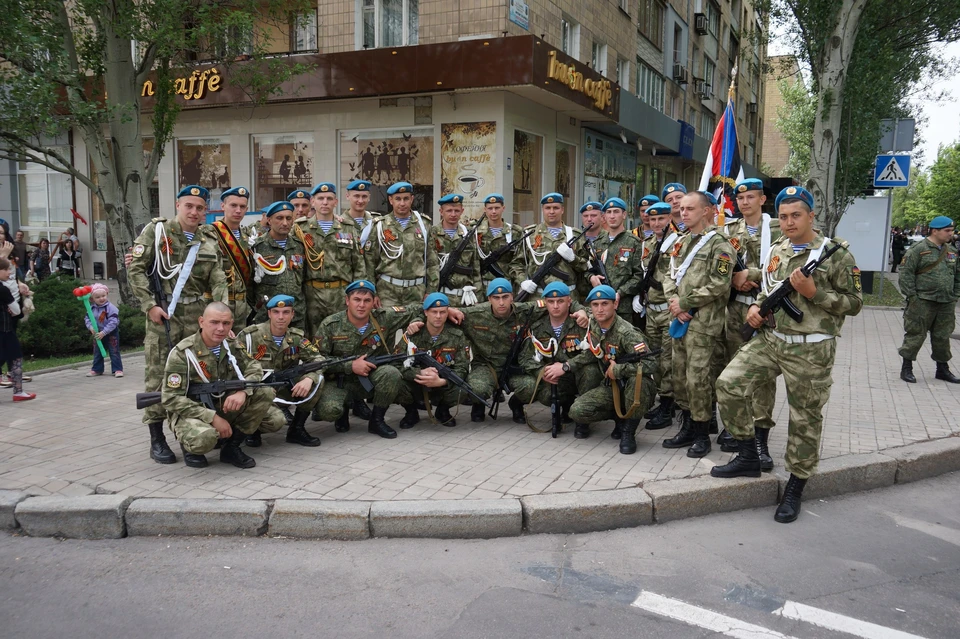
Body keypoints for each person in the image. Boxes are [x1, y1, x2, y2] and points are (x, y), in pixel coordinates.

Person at [712, 186, 863, 523]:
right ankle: (749, 454)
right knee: (728, 385)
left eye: (796, 215)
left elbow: (854, 304)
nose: (790, 222)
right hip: (771, 339)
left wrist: (816, 293)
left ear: (811, 215)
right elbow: (768, 287)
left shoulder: (835, 254)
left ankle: (796, 486)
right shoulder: (778, 247)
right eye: (784, 216)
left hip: (811, 349)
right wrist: (756, 308)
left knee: (805, 420)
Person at [128, 184, 229, 465]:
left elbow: (218, 278)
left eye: (199, 208)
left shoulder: (209, 238)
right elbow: (135, 269)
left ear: (205, 211)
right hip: (165, 316)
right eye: (189, 206)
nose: (194, 212)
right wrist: (149, 306)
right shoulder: (157, 232)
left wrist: (223, 315)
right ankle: (157, 439)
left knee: (196, 376)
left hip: (198, 316)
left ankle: (187, 436)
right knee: (159, 375)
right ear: (178, 205)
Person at [162, 302, 285, 469]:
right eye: (214, 322)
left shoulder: (232, 344)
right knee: (204, 440)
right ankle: (190, 447)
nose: (220, 328)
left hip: (222, 404)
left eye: (226, 323)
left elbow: (254, 368)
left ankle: (231, 447)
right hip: (192, 411)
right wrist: (211, 417)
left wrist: (243, 391)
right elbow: (170, 398)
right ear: (201, 322)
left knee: (270, 405)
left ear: (231, 324)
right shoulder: (183, 353)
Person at [448, 278, 588, 423]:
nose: (501, 302)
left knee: (530, 387)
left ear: (512, 297)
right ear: (489, 298)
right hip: (486, 365)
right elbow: (438, 313)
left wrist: (581, 310)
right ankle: (478, 404)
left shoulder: (526, 310)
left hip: (515, 366)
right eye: (496, 298)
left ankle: (516, 404)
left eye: (505, 297)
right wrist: (448, 309)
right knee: (478, 388)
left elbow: (559, 300)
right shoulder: (474, 314)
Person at [661, 191, 734, 458]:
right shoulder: (680, 242)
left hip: (703, 323)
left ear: (707, 211)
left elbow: (720, 283)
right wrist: (674, 301)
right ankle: (688, 426)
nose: (683, 213)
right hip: (679, 319)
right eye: (681, 209)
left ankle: (703, 434)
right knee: (679, 376)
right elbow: (667, 275)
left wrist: (686, 302)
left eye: (689, 208)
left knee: (698, 379)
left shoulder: (720, 244)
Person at [544, 284, 655, 453]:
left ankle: (628, 431)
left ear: (615, 305)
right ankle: (618, 417)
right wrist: (567, 366)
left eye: (605, 304)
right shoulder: (594, 324)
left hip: (633, 386)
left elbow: (651, 363)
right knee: (577, 411)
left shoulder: (627, 333)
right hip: (611, 385)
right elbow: (593, 352)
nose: (600, 309)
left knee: (637, 382)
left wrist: (619, 370)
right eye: (595, 305)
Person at [716, 178, 781, 463]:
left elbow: (783, 266)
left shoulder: (779, 228)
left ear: (762, 199)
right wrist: (733, 281)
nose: (745, 203)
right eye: (741, 199)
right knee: (734, 368)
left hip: (768, 313)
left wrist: (749, 275)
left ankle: (760, 437)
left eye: (751, 197)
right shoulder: (728, 230)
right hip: (736, 310)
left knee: (763, 377)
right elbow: (718, 267)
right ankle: (736, 428)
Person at [312, 280, 422, 438]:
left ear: (374, 302)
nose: (361, 305)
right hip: (339, 380)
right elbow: (317, 360)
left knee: (392, 374)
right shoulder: (330, 325)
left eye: (367, 301)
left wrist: (446, 311)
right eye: (357, 300)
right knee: (329, 411)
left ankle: (376, 421)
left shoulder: (385, 318)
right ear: (347, 301)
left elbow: (419, 308)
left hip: (371, 378)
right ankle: (342, 412)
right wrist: (350, 366)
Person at [237, 294, 324, 448]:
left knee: (317, 379)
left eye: (286, 312)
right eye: (276, 312)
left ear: (292, 315)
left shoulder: (296, 338)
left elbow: (319, 359)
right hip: (256, 392)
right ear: (269, 314)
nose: (281, 317)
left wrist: (309, 378)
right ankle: (251, 430)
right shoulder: (250, 336)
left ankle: (297, 429)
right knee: (276, 420)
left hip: (283, 388)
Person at [294, 182, 365, 336]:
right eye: (320, 198)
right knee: (313, 338)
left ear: (336, 202)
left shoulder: (348, 228)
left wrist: (358, 295)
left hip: (341, 293)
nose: (325, 202)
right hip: (312, 294)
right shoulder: (300, 228)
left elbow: (358, 264)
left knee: (342, 336)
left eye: (329, 198)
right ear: (313, 202)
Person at [517, 282, 587, 435]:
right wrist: (542, 371)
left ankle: (584, 419)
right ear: (545, 304)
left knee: (591, 372)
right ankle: (567, 405)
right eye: (551, 302)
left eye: (560, 301)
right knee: (546, 395)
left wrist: (567, 366)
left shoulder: (581, 323)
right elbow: (525, 358)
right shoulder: (537, 327)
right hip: (555, 379)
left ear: (569, 302)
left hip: (578, 375)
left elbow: (591, 353)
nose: (555, 306)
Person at [897, 215, 960, 384]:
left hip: (946, 302)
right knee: (915, 334)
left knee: (942, 336)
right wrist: (912, 297)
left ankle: (942, 369)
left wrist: (955, 295)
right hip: (923, 301)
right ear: (935, 231)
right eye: (947, 231)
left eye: (951, 230)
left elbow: (957, 275)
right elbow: (906, 274)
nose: (951, 234)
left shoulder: (952, 251)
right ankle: (907, 368)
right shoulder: (918, 249)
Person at [394, 292, 470, 429]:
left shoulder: (457, 336)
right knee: (393, 379)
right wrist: (418, 373)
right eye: (434, 312)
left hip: (441, 387)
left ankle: (443, 410)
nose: (438, 316)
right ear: (425, 312)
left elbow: (462, 368)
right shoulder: (412, 335)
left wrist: (442, 381)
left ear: (448, 313)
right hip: (415, 383)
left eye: (442, 312)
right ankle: (411, 412)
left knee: (464, 387)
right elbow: (396, 364)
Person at [362, 181, 439, 306]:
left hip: (417, 292)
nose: (402, 203)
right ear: (391, 200)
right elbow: (369, 262)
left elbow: (432, 262)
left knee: (416, 325)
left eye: (406, 198)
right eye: (398, 199)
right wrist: (372, 292)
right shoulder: (380, 226)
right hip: (387, 292)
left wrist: (431, 291)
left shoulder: (424, 226)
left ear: (412, 199)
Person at [639, 202, 679, 431]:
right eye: (652, 220)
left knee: (667, 361)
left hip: (667, 310)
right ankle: (662, 401)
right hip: (651, 311)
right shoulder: (649, 243)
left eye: (661, 219)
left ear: (669, 219)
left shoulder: (678, 242)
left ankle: (667, 406)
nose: (656, 223)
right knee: (653, 358)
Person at [512, 193, 591, 302]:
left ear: (562, 210)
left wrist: (574, 259)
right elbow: (516, 263)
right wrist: (522, 281)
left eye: (556, 208)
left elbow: (587, 266)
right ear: (542, 210)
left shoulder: (575, 235)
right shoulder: (530, 234)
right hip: (537, 298)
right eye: (547, 208)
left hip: (568, 298)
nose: (552, 211)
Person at [202, 186, 255, 326]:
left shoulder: (248, 235)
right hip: (216, 305)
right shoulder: (208, 233)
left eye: (242, 206)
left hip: (242, 308)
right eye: (233, 205)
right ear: (223, 206)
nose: (238, 210)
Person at [249, 201, 307, 328]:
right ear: (269, 220)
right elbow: (249, 284)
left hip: (296, 315)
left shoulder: (299, 246)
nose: (285, 223)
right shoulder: (257, 247)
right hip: (267, 316)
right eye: (279, 218)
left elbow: (304, 280)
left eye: (288, 218)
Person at [589, 198, 644, 322]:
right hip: (599, 306)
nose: (612, 216)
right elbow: (588, 269)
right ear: (604, 216)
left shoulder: (633, 242)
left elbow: (639, 275)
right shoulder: (598, 243)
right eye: (609, 212)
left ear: (624, 215)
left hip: (622, 307)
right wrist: (591, 277)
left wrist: (620, 292)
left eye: (616, 212)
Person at [430, 193, 482, 307]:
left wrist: (478, 295)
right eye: (449, 211)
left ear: (462, 211)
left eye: (456, 211)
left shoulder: (468, 234)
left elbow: (476, 267)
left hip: (465, 298)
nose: (453, 214)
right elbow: (427, 266)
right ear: (441, 211)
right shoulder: (432, 234)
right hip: (440, 297)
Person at [0, 254, 34, 401]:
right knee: (16, 358)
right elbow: (16, 311)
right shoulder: (3, 290)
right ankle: (18, 391)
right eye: (7, 269)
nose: (9, 273)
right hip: (5, 329)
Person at [474, 193, 524, 291]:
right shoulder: (475, 231)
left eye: (497, 208)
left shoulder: (515, 232)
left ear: (503, 208)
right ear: (485, 209)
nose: (493, 211)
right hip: (481, 287)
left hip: (506, 285)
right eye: (490, 208)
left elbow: (519, 262)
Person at [83, 283, 123, 378]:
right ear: (92, 299)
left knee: (114, 351)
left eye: (103, 296)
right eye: (97, 297)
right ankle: (97, 369)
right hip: (97, 333)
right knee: (97, 351)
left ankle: (117, 369)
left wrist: (104, 332)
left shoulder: (111, 308)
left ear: (107, 295)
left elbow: (113, 322)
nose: (101, 298)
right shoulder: (91, 308)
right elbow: (87, 319)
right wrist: (91, 327)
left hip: (110, 332)